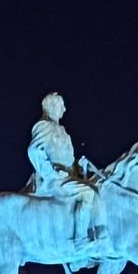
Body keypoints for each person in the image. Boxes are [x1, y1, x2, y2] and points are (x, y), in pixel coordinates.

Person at [23, 92, 101, 250]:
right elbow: (34, 151)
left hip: (68, 178)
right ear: (51, 107)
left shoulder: (62, 130)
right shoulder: (44, 125)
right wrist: (51, 174)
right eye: (61, 106)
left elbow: (66, 159)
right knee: (88, 192)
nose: (64, 109)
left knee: (98, 188)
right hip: (53, 180)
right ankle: (80, 239)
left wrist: (79, 166)